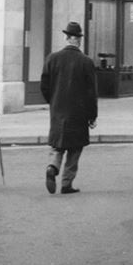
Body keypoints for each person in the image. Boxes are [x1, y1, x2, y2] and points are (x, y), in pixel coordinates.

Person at [40, 20, 98, 195]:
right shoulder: (86, 62)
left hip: (58, 109)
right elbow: (91, 92)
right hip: (78, 112)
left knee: (58, 145)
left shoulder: (52, 58)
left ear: (66, 38)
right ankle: (66, 184)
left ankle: (52, 167)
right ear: (78, 40)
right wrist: (92, 115)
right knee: (75, 148)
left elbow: (44, 85)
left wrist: (53, 101)